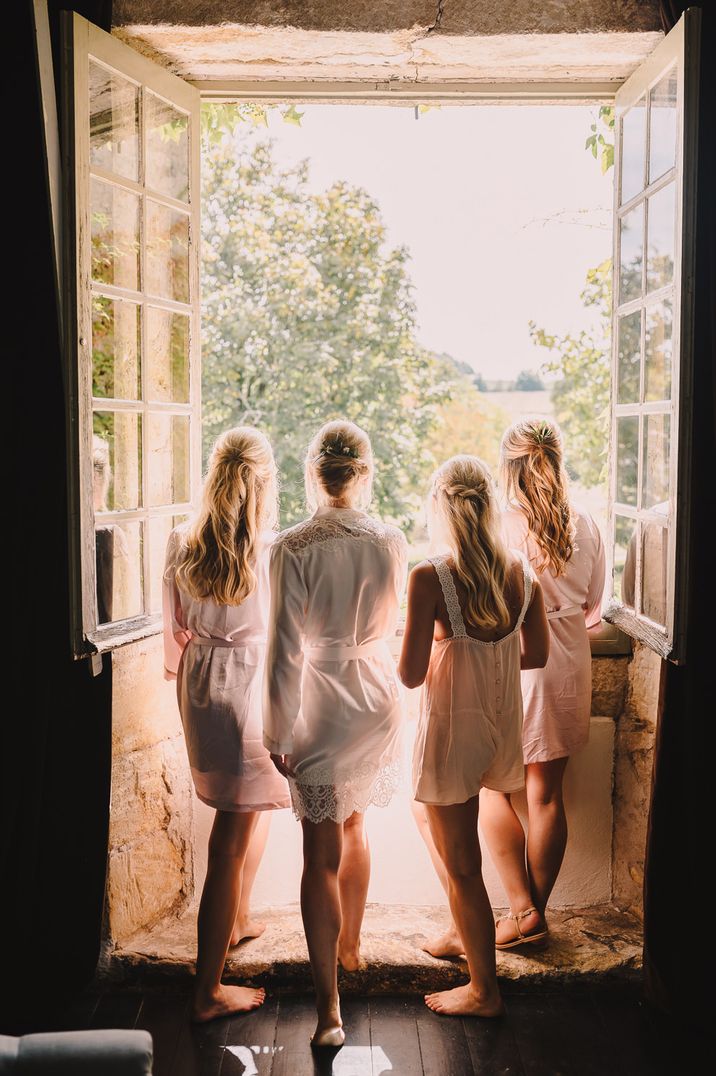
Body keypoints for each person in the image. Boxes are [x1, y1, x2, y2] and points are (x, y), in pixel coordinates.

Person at [264, 419, 407, 1047]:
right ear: (363, 472)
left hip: (322, 698)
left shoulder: (291, 547)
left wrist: (275, 729)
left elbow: (283, 651)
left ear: (314, 473)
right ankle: (349, 948)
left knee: (318, 853)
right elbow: (393, 620)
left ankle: (329, 1012)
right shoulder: (391, 539)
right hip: (375, 696)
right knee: (354, 825)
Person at [399, 455, 549, 1016]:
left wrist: (446, 645)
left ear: (441, 507)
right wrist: (488, 649)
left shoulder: (430, 576)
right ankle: (467, 927)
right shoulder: (520, 575)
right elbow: (534, 655)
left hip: (452, 731)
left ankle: (484, 990)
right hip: (499, 727)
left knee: (463, 863)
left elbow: (410, 674)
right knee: (431, 824)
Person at [163, 427, 290, 1023]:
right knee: (228, 837)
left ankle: (237, 917)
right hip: (251, 682)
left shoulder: (180, 542)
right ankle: (206, 989)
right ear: (264, 481)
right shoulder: (271, 548)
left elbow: (173, 642)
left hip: (201, 683)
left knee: (249, 805)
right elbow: (288, 630)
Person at [477, 418, 605, 950]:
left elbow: (481, 602)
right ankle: (535, 911)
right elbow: (595, 606)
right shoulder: (586, 524)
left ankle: (520, 908)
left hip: (514, 658)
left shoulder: (499, 526)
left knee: (489, 786)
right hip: (567, 658)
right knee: (546, 796)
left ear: (509, 465)